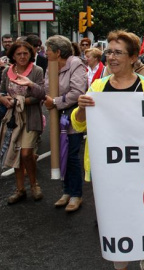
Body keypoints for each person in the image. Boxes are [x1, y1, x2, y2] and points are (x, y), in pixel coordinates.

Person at [72, 30, 144, 270]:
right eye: (109, 52)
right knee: (115, 218)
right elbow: (79, 124)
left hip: (142, 166)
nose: (111, 57)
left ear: (133, 58)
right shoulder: (98, 85)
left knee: (143, 210)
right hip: (108, 167)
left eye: (118, 52)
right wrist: (81, 108)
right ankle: (120, 261)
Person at [43, 35, 87, 212]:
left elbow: (77, 92)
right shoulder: (51, 66)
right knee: (61, 154)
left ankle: (76, 194)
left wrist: (56, 102)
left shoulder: (76, 64)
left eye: (48, 50)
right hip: (57, 115)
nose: (45, 53)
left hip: (73, 117)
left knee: (72, 156)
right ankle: (66, 191)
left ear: (58, 52)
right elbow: (47, 89)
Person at [1, 41, 45, 204]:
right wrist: (3, 99)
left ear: (30, 54)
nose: (22, 56)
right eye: (18, 54)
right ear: (13, 55)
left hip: (31, 117)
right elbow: (2, 90)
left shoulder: (37, 71)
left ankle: (34, 185)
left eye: (25, 53)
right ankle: (20, 189)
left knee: (26, 153)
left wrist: (20, 100)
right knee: (16, 154)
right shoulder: (7, 71)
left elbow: (40, 94)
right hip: (13, 119)